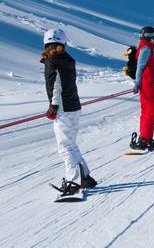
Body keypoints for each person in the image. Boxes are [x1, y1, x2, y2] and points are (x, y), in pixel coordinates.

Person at [42, 28, 97, 197]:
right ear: (63, 43)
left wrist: (54, 106)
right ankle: (85, 176)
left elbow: (56, 85)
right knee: (71, 145)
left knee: (65, 148)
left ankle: (73, 182)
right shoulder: (67, 59)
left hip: (64, 109)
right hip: (74, 107)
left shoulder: (53, 61)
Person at [131, 26, 154, 151]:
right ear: (150, 37)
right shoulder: (146, 49)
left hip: (149, 83)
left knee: (148, 110)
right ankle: (144, 139)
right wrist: (137, 83)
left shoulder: (146, 47)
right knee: (151, 111)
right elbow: (140, 67)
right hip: (147, 84)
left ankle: (146, 137)